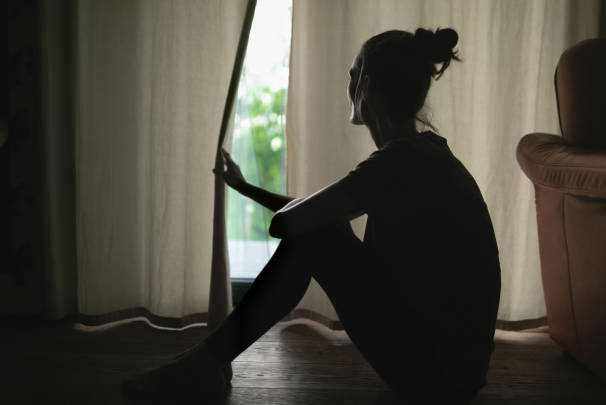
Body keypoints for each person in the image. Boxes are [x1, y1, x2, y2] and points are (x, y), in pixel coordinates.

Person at [122, 27, 501, 404]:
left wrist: (300, 210)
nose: (348, 82)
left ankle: (201, 364)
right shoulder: (424, 153)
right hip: (456, 372)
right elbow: (317, 212)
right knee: (322, 229)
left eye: (352, 73)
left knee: (313, 236)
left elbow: (289, 223)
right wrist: (245, 187)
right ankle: (204, 362)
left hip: (435, 378)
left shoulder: (396, 163)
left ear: (365, 83)